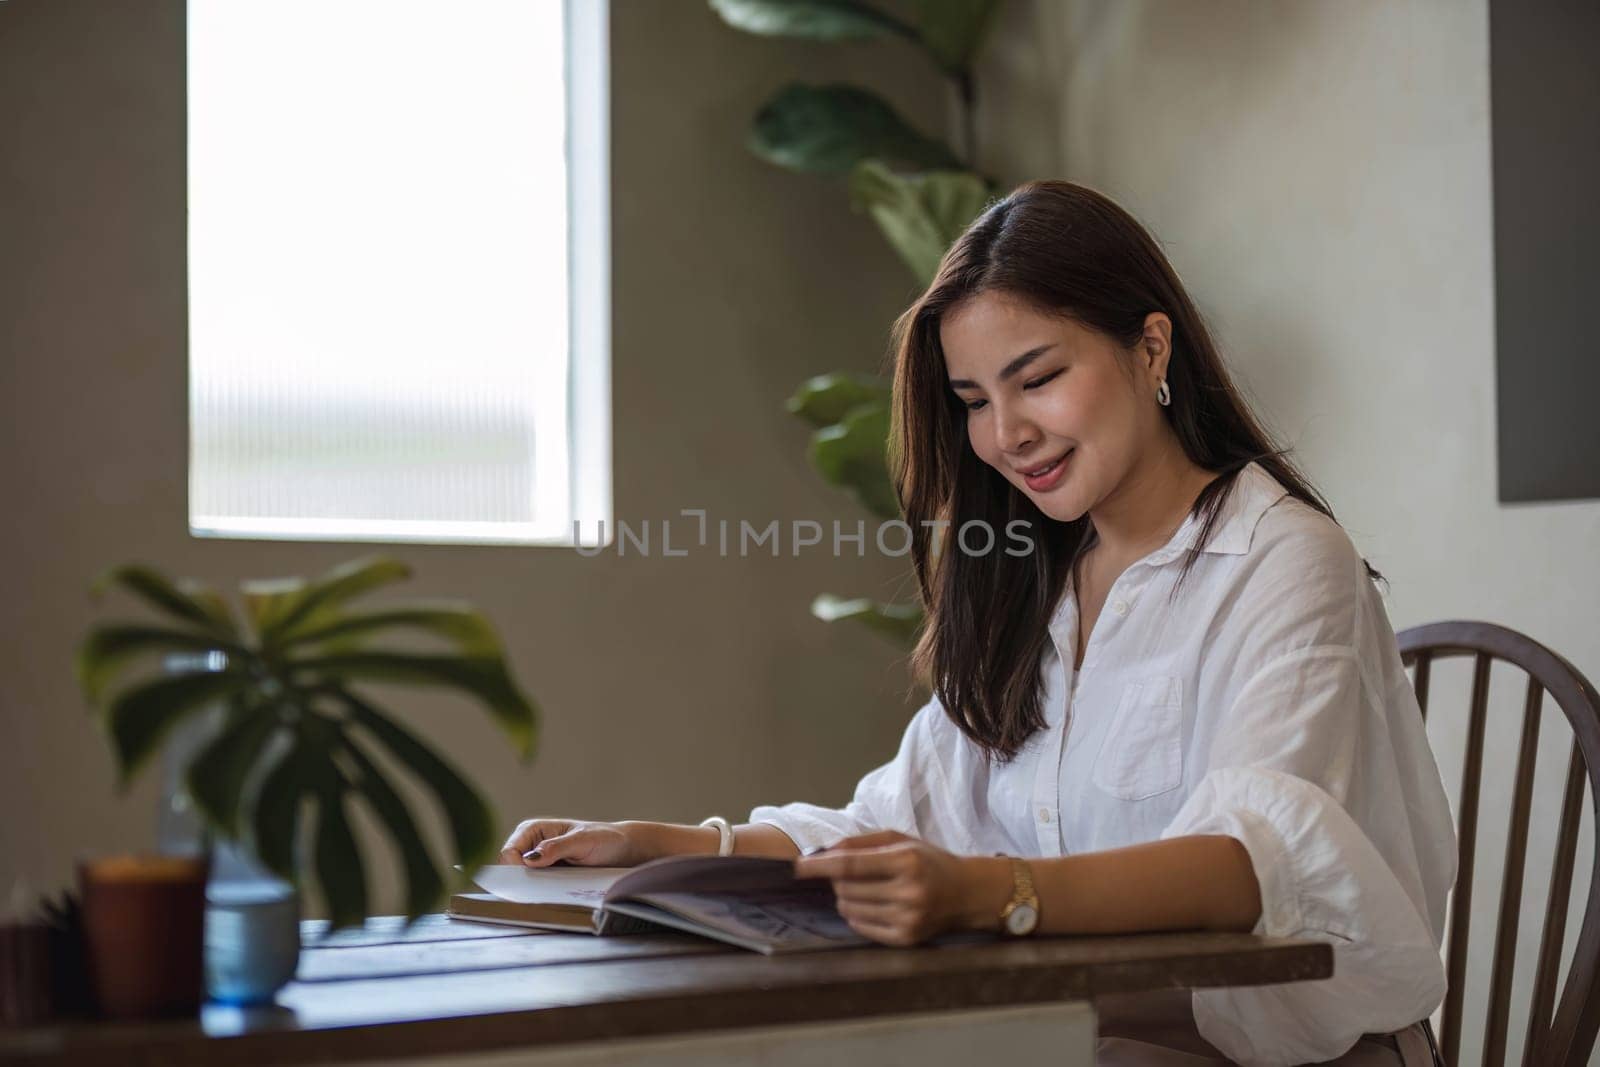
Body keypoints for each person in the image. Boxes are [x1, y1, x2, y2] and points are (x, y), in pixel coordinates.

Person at [500, 180, 1455, 1067]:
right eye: (973, 402)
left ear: (1151, 348)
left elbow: (1255, 865)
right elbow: (891, 823)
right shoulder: (1032, 580)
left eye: (1036, 378)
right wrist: (665, 845)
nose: (1006, 434)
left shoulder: (1283, 558)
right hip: (1092, 1041)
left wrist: (990, 895)